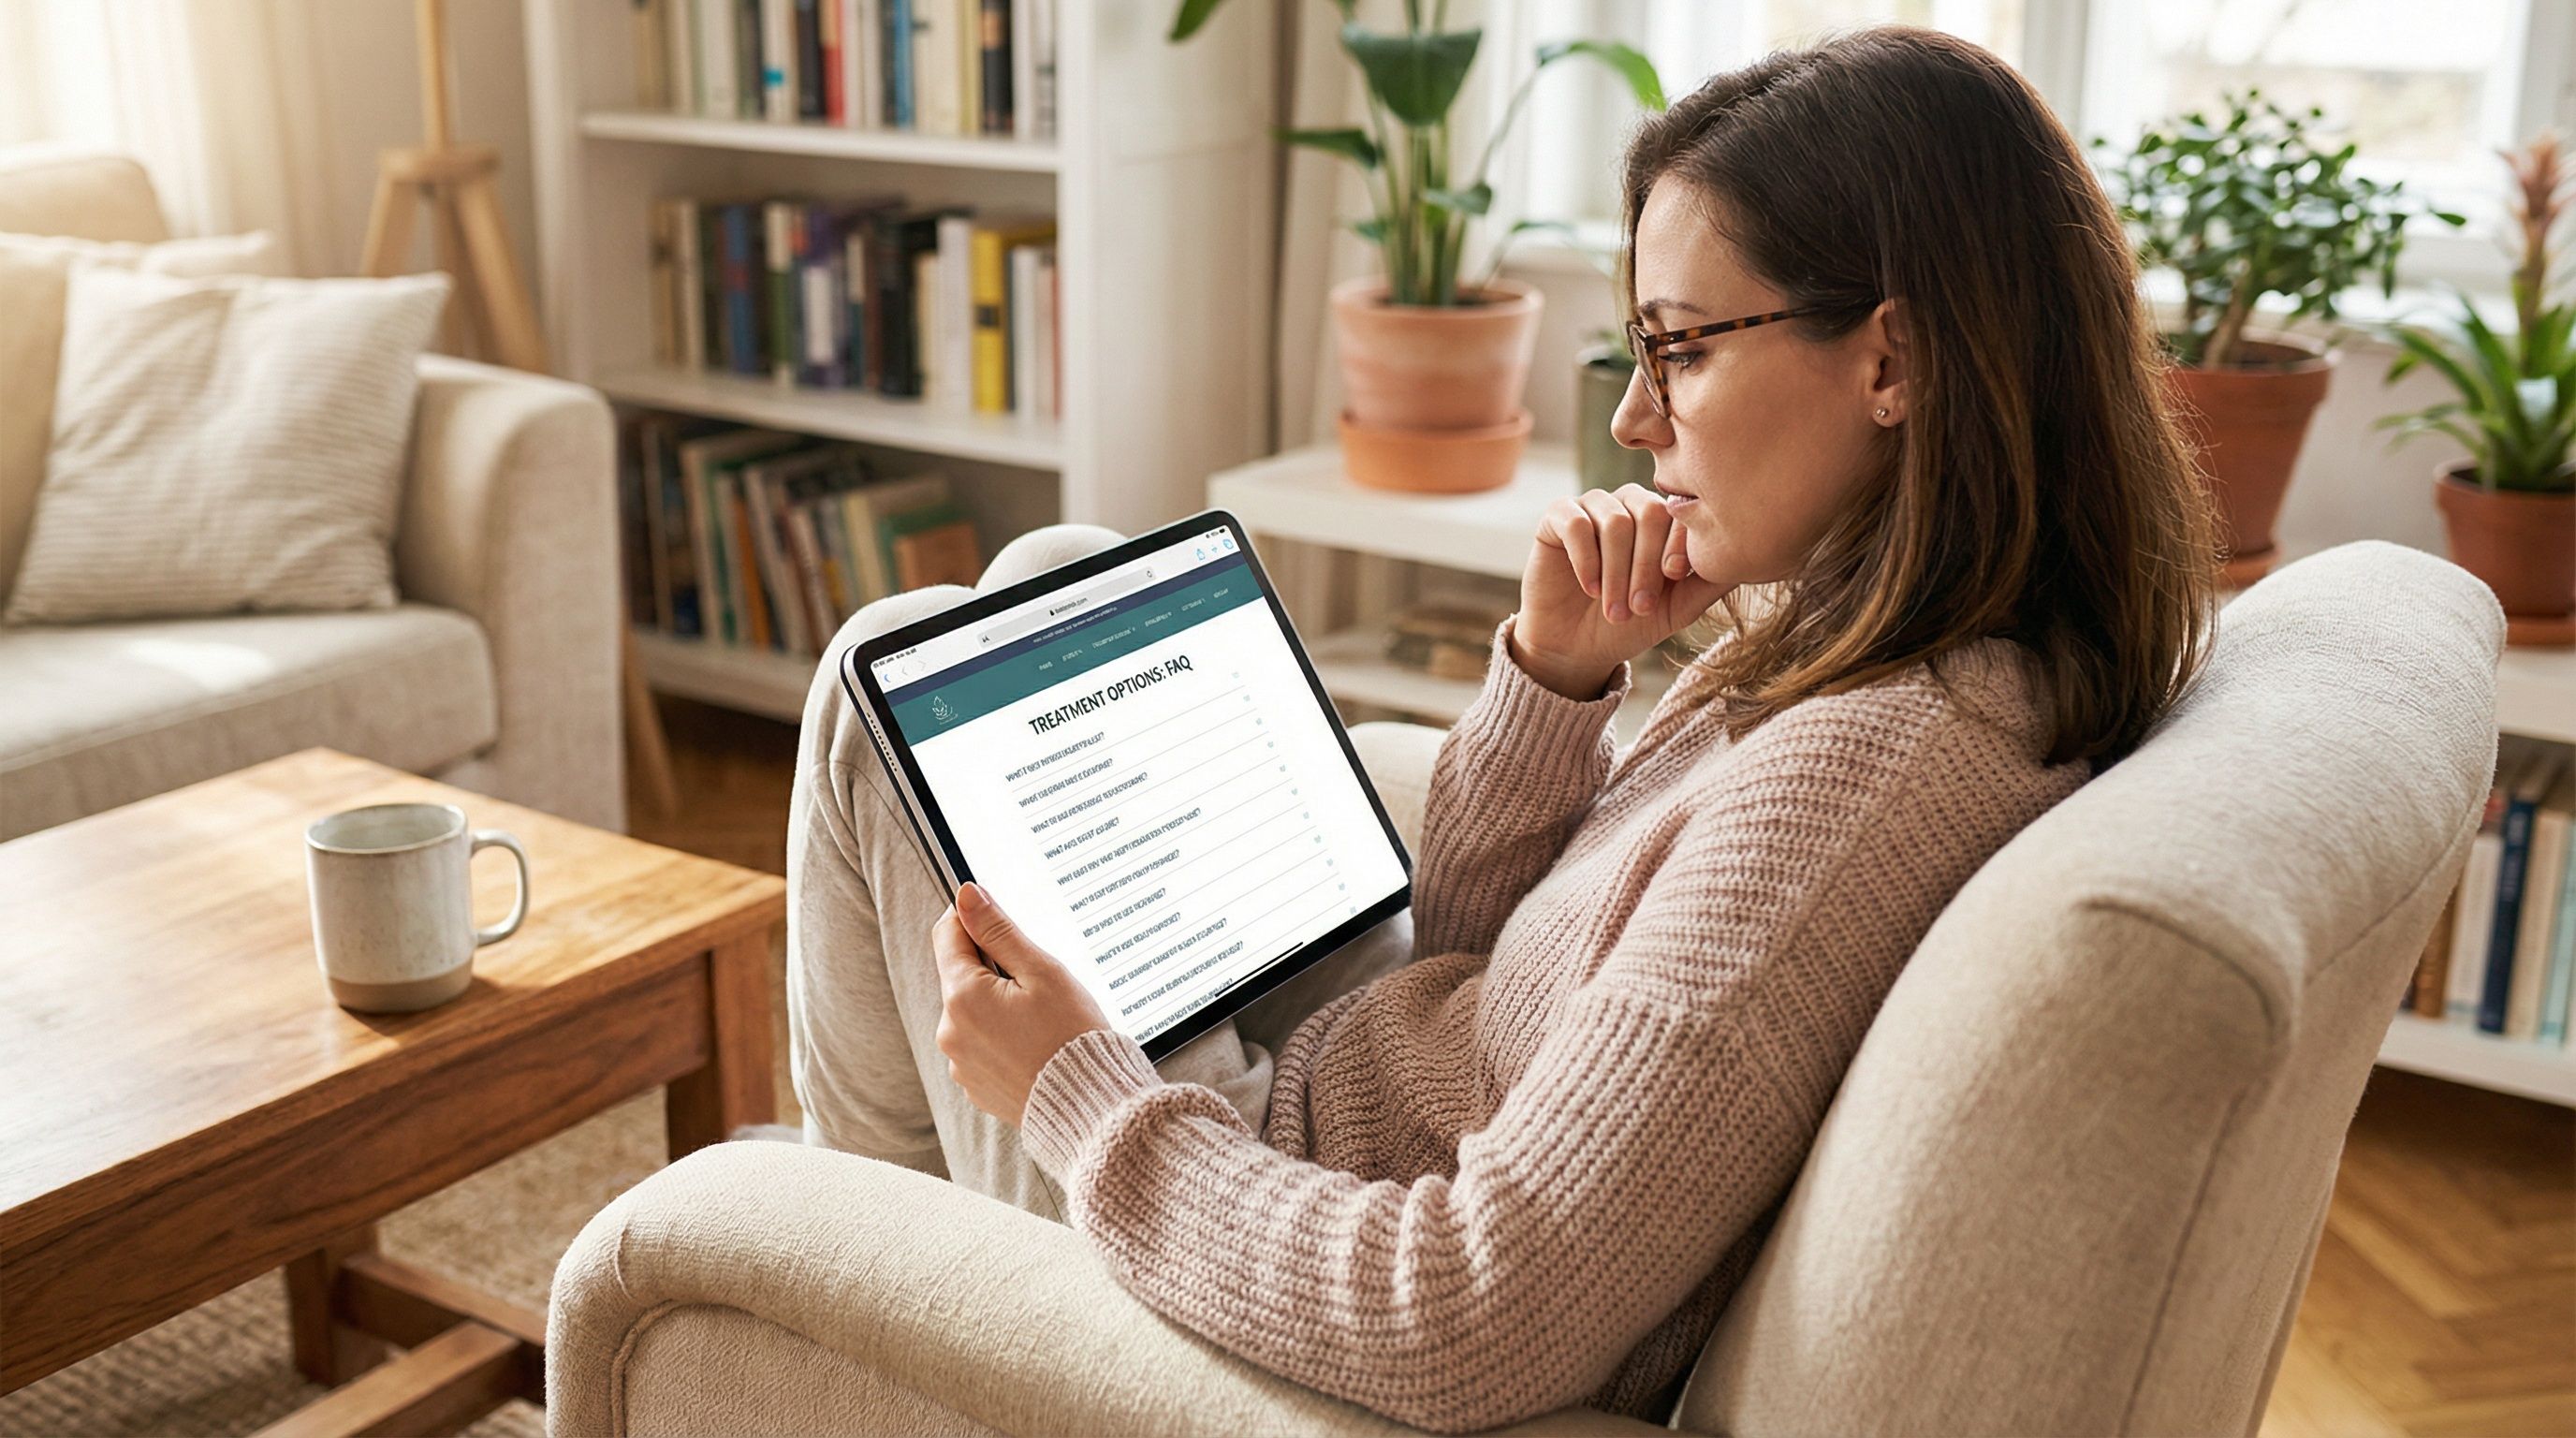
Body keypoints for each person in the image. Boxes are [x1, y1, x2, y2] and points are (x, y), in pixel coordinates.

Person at [785, 24, 2218, 1433]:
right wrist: (1554, 683)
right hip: (1355, 1094)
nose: (1636, 421)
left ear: (1892, 363)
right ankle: (881, 1206)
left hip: (1278, 1221)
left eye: (1680, 350)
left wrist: (1075, 1094)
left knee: (874, 674)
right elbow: (1485, 964)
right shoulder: (1884, 643)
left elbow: (1464, 1319)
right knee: (1054, 578)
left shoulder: (1859, 781)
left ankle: (830, 1274)